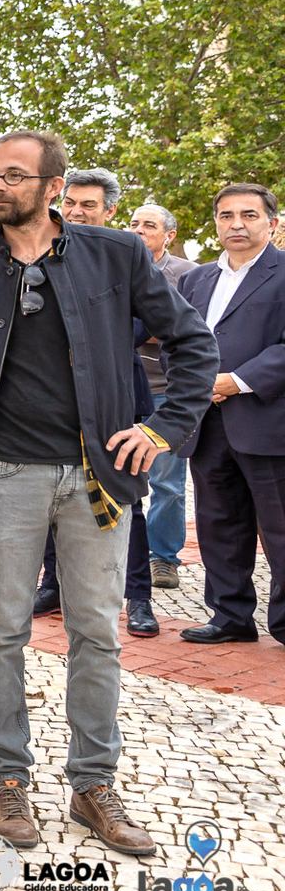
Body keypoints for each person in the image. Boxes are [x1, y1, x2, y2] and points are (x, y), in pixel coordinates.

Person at [0, 131, 215, 857]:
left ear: (53, 186)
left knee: (97, 632)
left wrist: (160, 430)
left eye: (15, 176)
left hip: (97, 477)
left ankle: (94, 785)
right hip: (1, 477)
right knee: (1, 630)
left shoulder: (117, 254)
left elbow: (192, 343)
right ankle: (7, 782)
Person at [34, 168, 160, 638]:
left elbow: (152, 322)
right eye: (71, 203)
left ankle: (139, 596)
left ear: (110, 212)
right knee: (51, 494)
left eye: (89, 205)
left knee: (128, 502)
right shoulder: (43, 253)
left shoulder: (123, 257)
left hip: (116, 402)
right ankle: (52, 585)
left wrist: (94, 337)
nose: (76, 211)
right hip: (54, 405)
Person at [176, 184, 285, 645]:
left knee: (280, 527)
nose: (236, 224)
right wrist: (191, 382)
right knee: (219, 522)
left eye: (248, 215)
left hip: (268, 420)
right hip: (208, 422)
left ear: (272, 222)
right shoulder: (196, 280)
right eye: (226, 215)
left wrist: (235, 381)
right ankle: (230, 616)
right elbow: (176, 339)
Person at [127, 202, 197, 586]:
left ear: (169, 235)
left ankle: (164, 558)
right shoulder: (117, 264)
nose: (138, 229)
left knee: (167, 482)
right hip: (124, 390)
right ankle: (126, 553)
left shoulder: (186, 274)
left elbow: (186, 330)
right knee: (123, 478)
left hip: (166, 393)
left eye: (149, 225)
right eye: (134, 222)